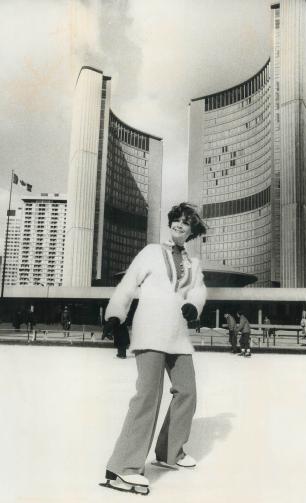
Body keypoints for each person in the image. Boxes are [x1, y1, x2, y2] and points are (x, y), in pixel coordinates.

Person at [100, 202, 207, 495]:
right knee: (148, 396)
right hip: (150, 331)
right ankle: (123, 467)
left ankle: (169, 452)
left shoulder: (194, 264)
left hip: (178, 335)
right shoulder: (150, 252)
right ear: (171, 223)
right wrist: (116, 314)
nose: (180, 225)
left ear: (192, 230)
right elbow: (128, 283)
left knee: (187, 392)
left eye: (186, 223)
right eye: (177, 220)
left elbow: (198, 290)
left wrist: (194, 307)